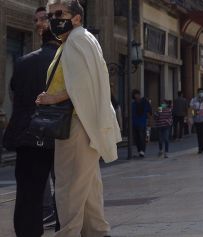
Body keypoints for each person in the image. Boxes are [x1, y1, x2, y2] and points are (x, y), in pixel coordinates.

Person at [35, 1, 121, 236]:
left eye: (59, 13)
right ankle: (97, 232)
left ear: (76, 17)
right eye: (51, 14)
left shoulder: (75, 40)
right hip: (83, 123)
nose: (53, 19)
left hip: (75, 124)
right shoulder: (81, 39)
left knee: (69, 188)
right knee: (88, 190)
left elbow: (81, 86)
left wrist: (51, 99)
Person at [3, 6, 60, 236]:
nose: (38, 24)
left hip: (28, 134)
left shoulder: (23, 62)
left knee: (28, 193)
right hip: (60, 133)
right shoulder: (64, 63)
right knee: (66, 190)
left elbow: (15, 95)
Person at [132, 89, 152, 157]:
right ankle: (140, 150)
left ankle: (142, 151)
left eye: (137, 94)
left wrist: (149, 121)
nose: (136, 96)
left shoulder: (144, 102)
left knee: (142, 137)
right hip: (135, 123)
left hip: (142, 123)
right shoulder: (133, 104)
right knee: (137, 138)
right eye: (135, 95)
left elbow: (149, 112)